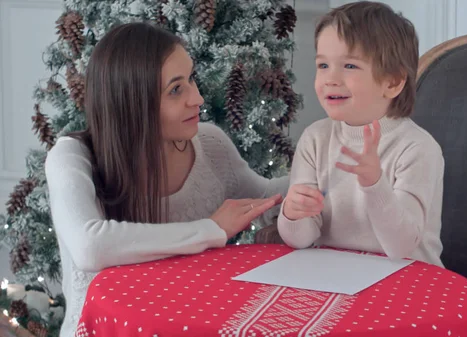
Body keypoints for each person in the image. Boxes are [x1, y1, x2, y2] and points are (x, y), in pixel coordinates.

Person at [45, 22, 288, 337]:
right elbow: (91, 247)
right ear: (132, 102)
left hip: (190, 326)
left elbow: (267, 199)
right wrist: (211, 230)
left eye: (191, 79)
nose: (197, 98)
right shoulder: (73, 157)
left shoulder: (210, 143)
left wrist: (329, 161)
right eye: (176, 89)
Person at [277, 1, 444, 267]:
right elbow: (301, 240)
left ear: (392, 82)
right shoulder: (315, 139)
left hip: (409, 281)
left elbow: (401, 246)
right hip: (334, 277)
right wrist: (293, 214)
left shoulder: (418, 148)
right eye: (323, 66)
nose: (331, 78)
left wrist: (374, 183)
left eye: (350, 66)